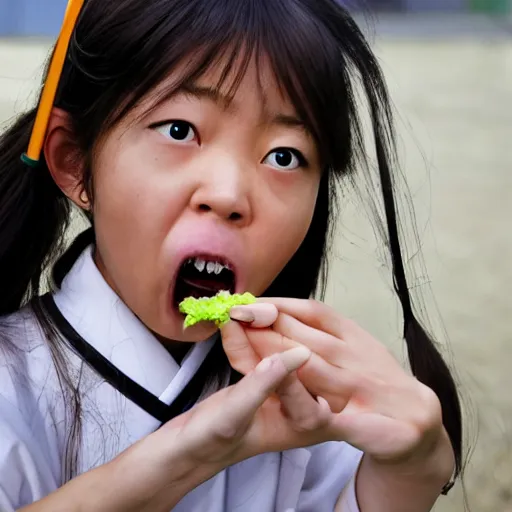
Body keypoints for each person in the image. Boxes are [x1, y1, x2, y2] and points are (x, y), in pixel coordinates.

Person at [0, 0, 462, 510]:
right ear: (74, 162)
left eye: (284, 156)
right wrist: (187, 456)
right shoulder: (10, 388)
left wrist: (412, 468)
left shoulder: (305, 406)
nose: (229, 194)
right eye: (179, 130)